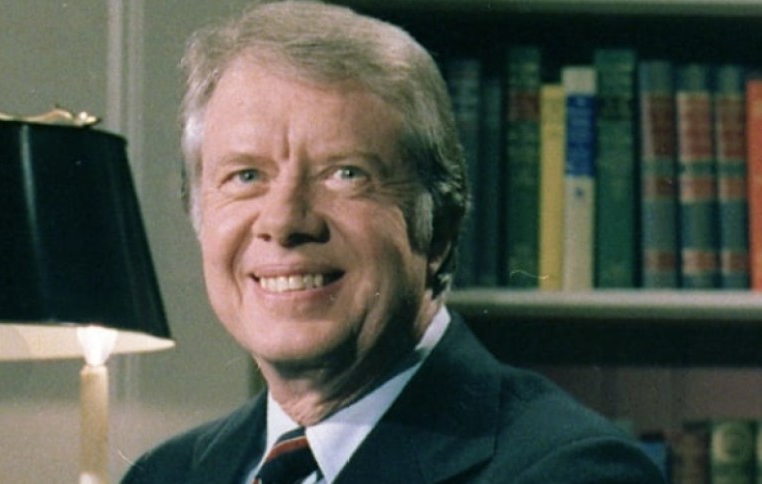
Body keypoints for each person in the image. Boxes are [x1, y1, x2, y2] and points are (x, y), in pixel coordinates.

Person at [122, 1, 665, 483]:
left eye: (345, 173)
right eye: (245, 176)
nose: (284, 221)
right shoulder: (163, 476)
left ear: (439, 229)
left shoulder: (569, 472)